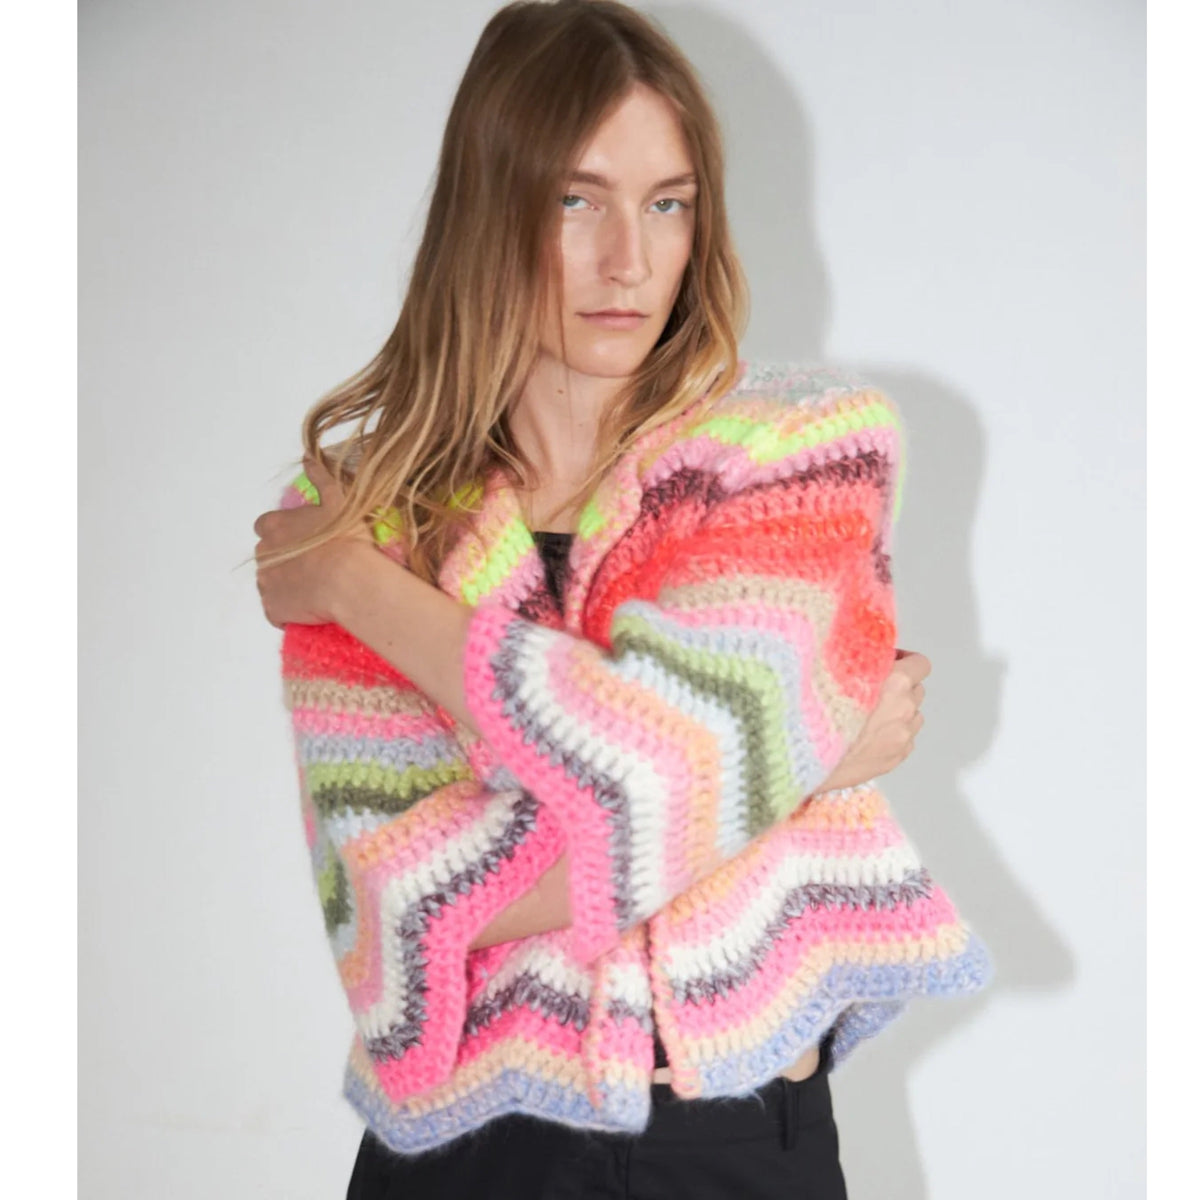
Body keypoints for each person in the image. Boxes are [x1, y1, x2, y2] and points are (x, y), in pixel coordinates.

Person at [252, 2, 993, 1196]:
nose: (629, 261)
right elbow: (401, 887)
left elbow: (655, 765)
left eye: (667, 203)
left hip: (729, 1140)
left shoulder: (801, 451)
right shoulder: (369, 507)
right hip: (471, 1151)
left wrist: (353, 590)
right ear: (489, 210)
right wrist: (791, 761)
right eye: (575, 200)